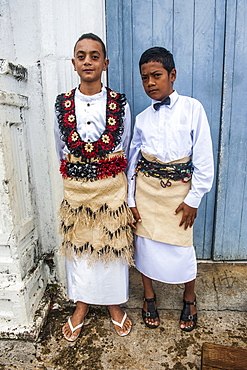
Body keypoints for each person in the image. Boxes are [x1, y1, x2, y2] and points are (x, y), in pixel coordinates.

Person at [54, 33, 134, 341]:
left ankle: (114, 304)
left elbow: (123, 146)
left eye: (94, 55)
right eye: (82, 55)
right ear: (74, 63)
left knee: (112, 246)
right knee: (80, 248)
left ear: (105, 63)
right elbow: (60, 146)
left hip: (110, 187)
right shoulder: (63, 103)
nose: (88, 61)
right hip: (77, 189)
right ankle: (82, 305)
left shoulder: (119, 104)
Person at [127, 46, 214, 332]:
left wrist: (194, 198)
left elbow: (202, 157)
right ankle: (148, 296)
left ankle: (189, 297)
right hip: (147, 192)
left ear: (172, 75)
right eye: (144, 78)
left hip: (179, 194)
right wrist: (130, 199)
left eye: (156, 75)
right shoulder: (142, 118)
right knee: (146, 244)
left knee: (181, 248)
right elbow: (132, 162)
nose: (150, 83)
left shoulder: (192, 109)